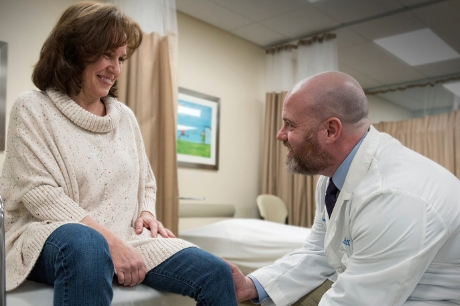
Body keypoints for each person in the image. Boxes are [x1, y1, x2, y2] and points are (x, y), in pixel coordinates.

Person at [0, 2, 238, 305]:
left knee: (216, 272)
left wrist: (146, 213)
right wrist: (110, 242)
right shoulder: (32, 107)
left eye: (121, 58)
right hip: (50, 235)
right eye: (106, 55)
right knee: (87, 245)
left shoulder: (124, 117)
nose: (116, 68)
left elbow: (146, 181)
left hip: (126, 235)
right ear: (72, 51)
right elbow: (39, 193)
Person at [230, 71, 460, 305]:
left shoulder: (393, 194)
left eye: (290, 125)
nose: (280, 135)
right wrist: (251, 286)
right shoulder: (334, 176)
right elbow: (319, 251)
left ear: (331, 130)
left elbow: (359, 300)